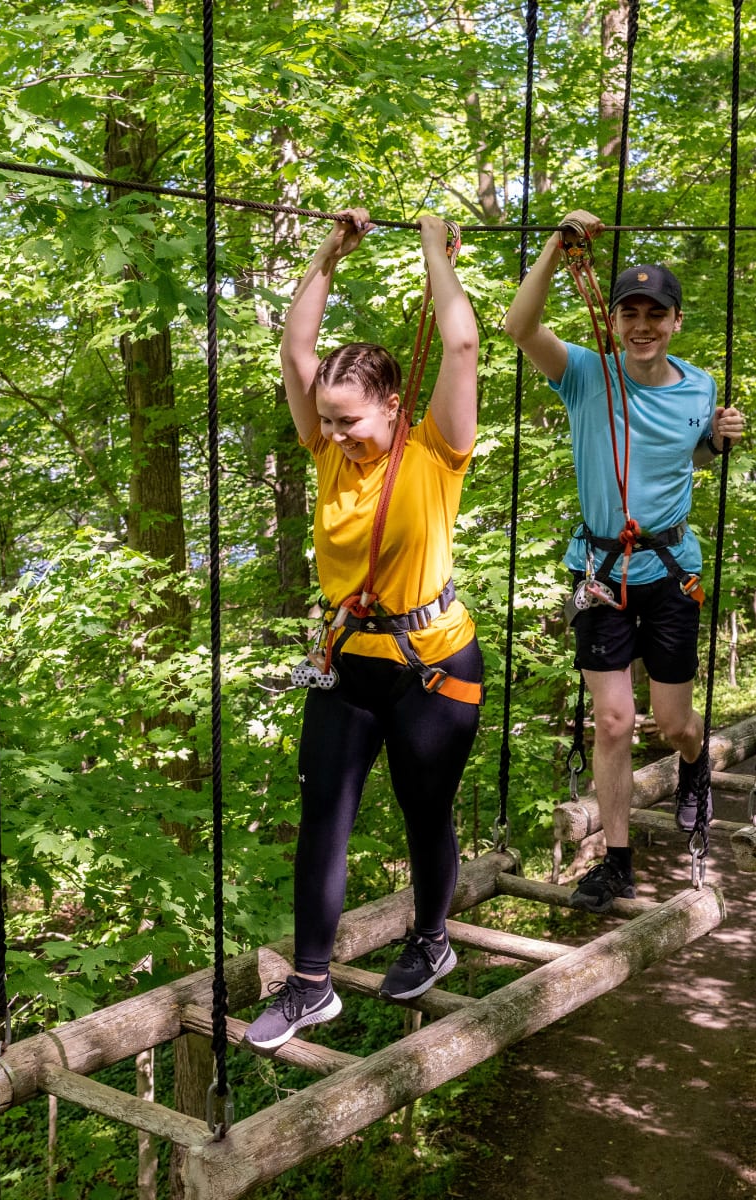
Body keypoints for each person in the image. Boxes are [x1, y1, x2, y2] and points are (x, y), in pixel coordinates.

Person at [245, 208, 484, 1051]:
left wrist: (433, 255)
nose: (337, 436)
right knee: (324, 815)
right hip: (348, 663)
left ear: (391, 405)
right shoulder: (326, 456)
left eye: (351, 420)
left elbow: (460, 347)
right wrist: (328, 253)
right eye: (329, 421)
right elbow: (294, 351)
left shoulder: (435, 452)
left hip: (433, 665)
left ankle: (431, 939)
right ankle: (311, 986)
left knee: (426, 811)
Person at [503, 208, 745, 913]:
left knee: (673, 724)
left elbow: (689, 458)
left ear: (675, 322)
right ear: (612, 320)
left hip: (670, 571)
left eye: (655, 314)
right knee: (612, 721)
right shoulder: (585, 375)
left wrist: (719, 440)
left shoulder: (699, 386)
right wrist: (557, 245)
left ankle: (695, 766)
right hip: (600, 574)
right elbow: (520, 327)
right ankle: (616, 862)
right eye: (629, 312)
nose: (642, 325)